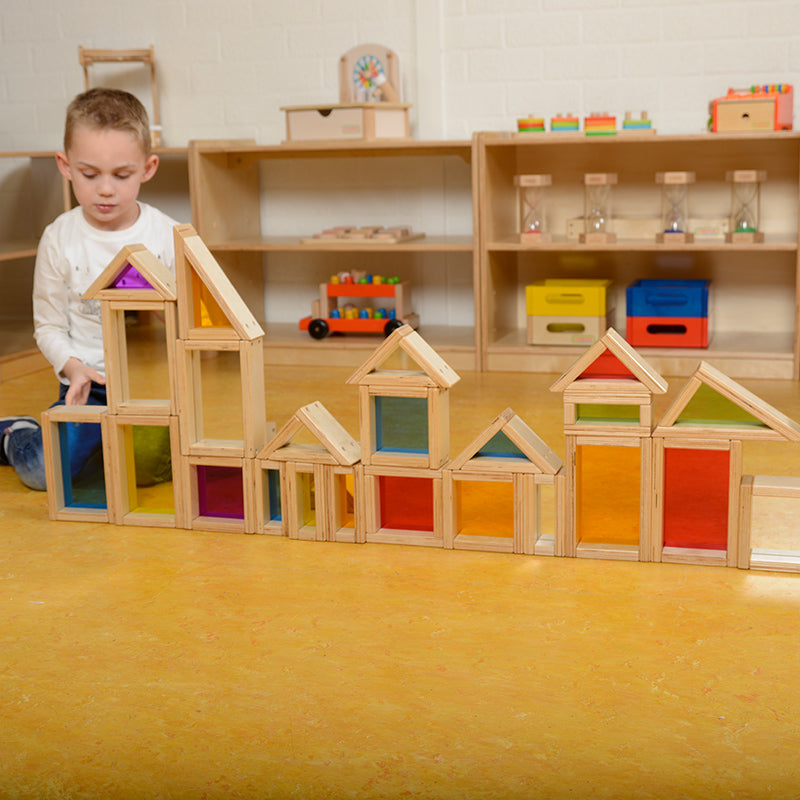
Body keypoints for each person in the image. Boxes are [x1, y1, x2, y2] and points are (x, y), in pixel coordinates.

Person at [0, 88, 178, 490]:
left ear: (148, 168)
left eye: (122, 175)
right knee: (43, 473)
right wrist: (72, 367)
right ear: (65, 166)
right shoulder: (58, 238)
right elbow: (48, 327)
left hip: (148, 388)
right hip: (85, 386)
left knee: (148, 474)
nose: (106, 189)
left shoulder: (168, 235)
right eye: (90, 174)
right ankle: (16, 433)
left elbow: (188, 318)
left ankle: (100, 449)